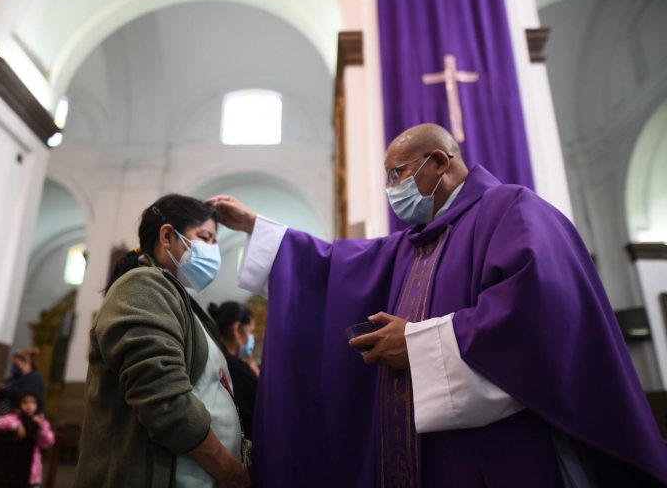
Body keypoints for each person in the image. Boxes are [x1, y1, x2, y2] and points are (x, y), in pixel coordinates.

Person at [210, 123, 667, 487]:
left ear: (439, 163)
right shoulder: (412, 245)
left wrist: (417, 342)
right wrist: (256, 226)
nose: (392, 188)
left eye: (397, 173)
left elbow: (539, 315)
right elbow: (336, 265)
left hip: (506, 451)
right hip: (431, 455)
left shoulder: (511, 209)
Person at [75, 194, 250, 488]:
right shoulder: (142, 285)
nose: (213, 250)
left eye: (215, 242)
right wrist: (230, 471)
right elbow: (165, 402)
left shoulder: (180, 301)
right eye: (205, 237)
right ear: (168, 236)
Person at [208, 301, 259, 437]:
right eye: (250, 331)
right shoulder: (236, 368)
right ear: (237, 329)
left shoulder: (216, 358)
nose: (251, 339)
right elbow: (261, 409)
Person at [0, 391, 55, 488]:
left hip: (32, 468)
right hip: (14, 463)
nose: (29, 406)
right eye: (25, 402)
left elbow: (48, 441)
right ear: (19, 404)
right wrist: (16, 425)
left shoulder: (41, 421)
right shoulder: (14, 417)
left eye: (33, 402)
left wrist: (42, 427)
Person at [0, 348, 45, 414]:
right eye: (13, 365)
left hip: (19, 416)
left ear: (26, 363)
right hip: (4, 413)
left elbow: (27, 397)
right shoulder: (14, 378)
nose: (13, 368)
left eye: (16, 365)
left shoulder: (35, 379)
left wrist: (5, 389)